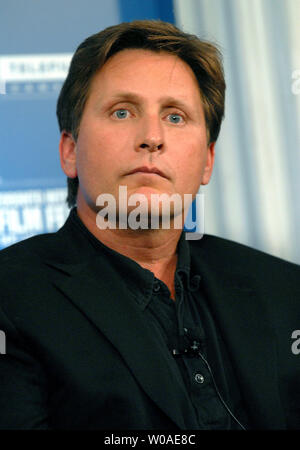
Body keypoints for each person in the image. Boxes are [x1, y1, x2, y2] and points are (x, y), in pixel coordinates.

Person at [0, 19, 299, 431]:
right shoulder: (10, 298)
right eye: (122, 111)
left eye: (175, 117)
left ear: (208, 161)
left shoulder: (285, 291)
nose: (152, 137)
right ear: (70, 151)